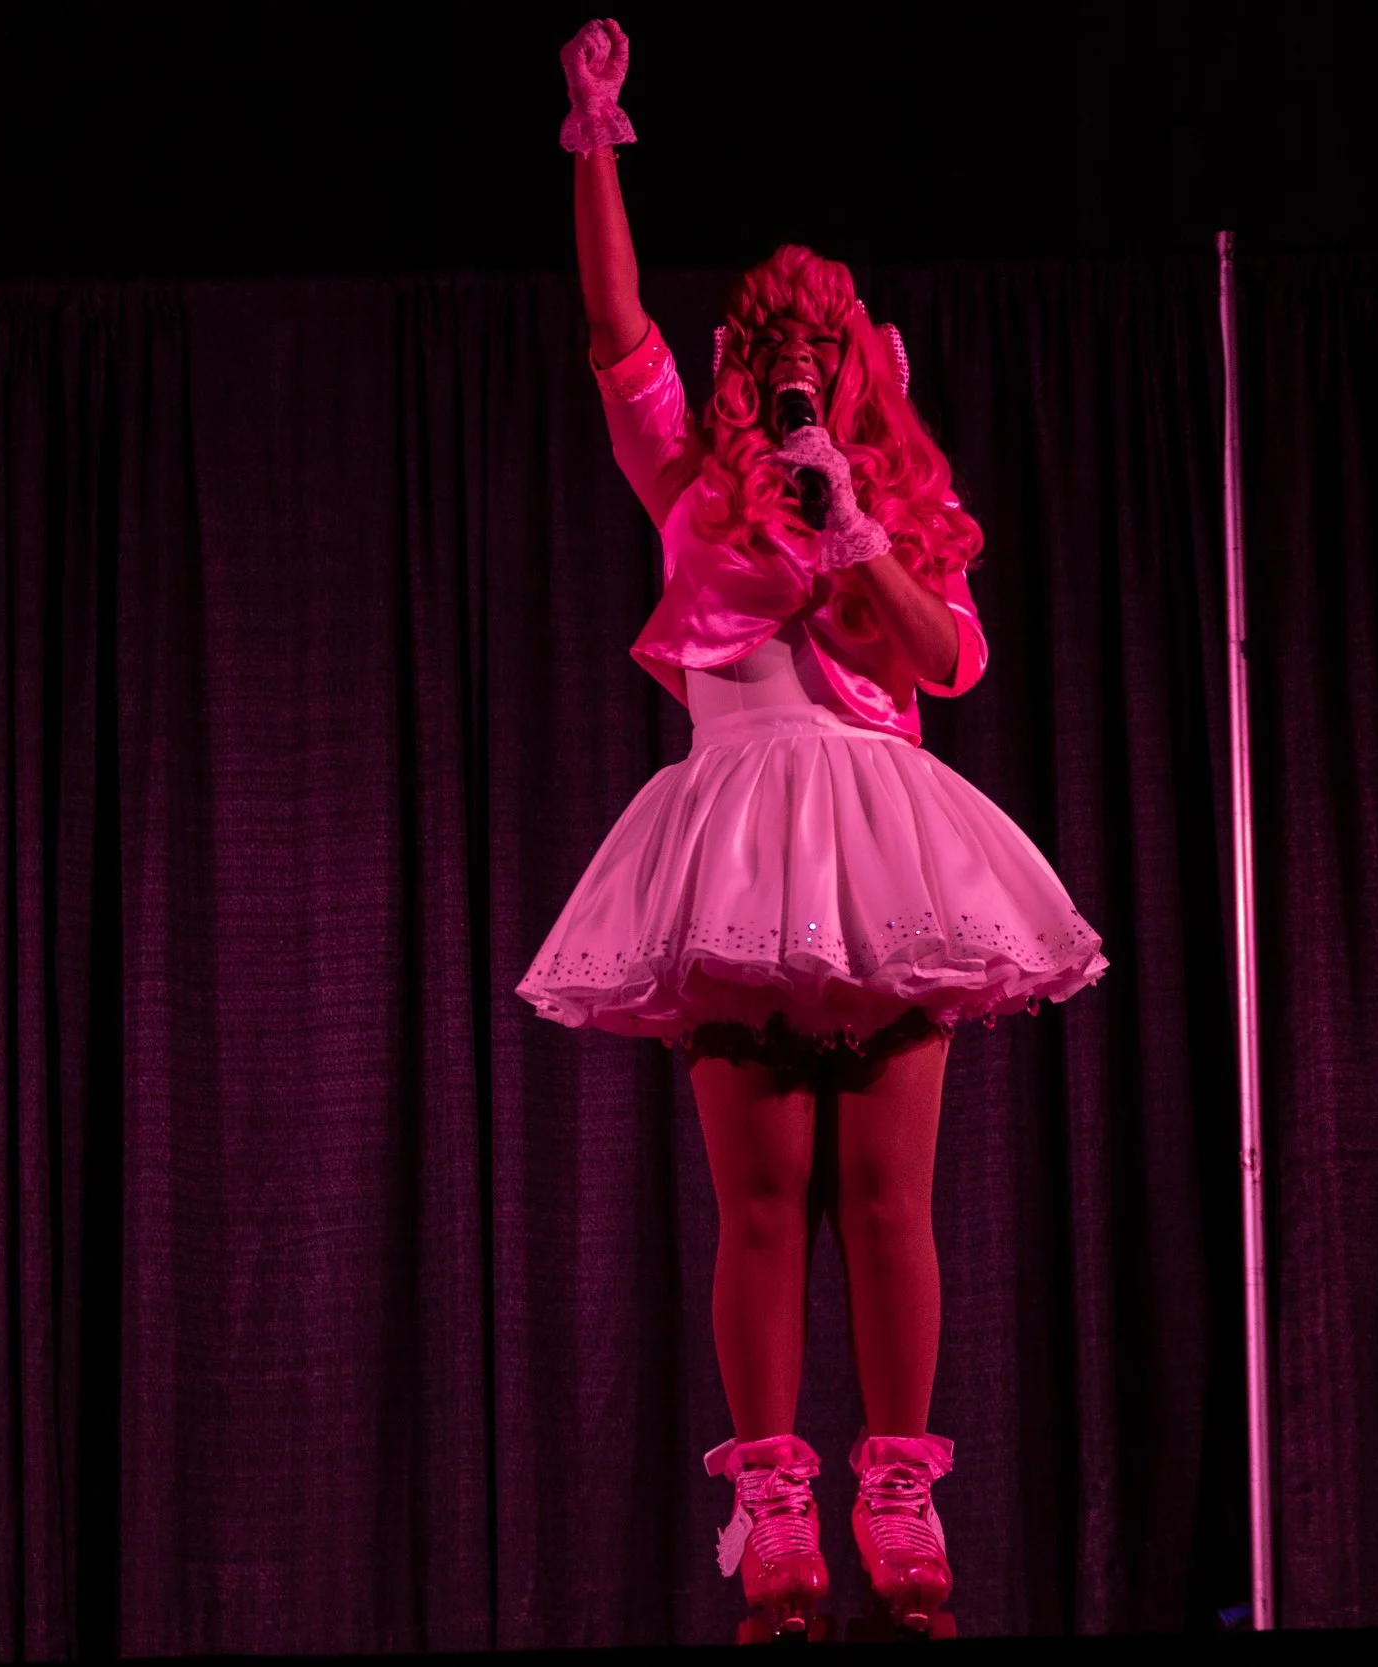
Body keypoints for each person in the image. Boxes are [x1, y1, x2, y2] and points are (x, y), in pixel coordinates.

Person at [518, 17, 1110, 1644]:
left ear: (857, 370)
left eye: (814, 358)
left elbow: (947, 662)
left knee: (889, 1197)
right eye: (768, 359)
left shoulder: (889, 509)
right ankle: (773, 1497)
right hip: (737, 835)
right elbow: (614, 327)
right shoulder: (692, 491)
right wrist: (596, 138)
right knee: (767, 1195)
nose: (787, 379)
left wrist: (853, 526)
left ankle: (898, 1488)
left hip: (883, 844)